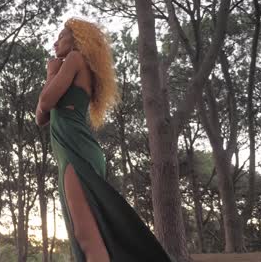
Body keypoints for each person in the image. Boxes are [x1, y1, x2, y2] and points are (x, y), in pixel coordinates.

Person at [36, 18, 173, 262]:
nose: (55, 43)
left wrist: (50, 73)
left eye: (61, 37)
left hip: (75, 151)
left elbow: (45, 103)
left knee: (87, 235)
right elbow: (40, 118)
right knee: (87, 233)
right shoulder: (72, 65)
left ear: (76, 39)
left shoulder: (75, 59)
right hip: (72, 150)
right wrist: (54, 75)